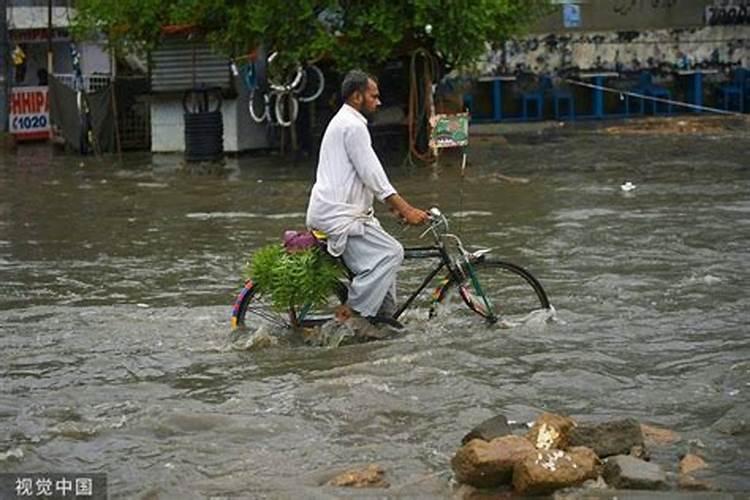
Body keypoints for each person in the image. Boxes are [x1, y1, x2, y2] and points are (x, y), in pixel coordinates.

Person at [306, 69, 429, 323]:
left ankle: (381, 325)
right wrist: (405, 209)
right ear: (357, 97)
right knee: (392, 253)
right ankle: (352, 314)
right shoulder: (352, 126)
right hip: (340, 217)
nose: (378, 101)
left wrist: (392, 207)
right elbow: (373, 175)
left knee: (384, 273)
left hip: (346, 213)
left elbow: (361, 177)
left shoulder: (345, 122)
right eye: (373, 96)